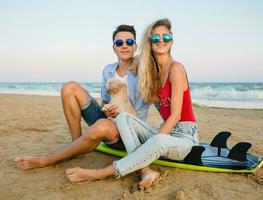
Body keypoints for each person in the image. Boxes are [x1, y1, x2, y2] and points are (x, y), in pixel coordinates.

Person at [65, 18, 199, 190]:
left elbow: (176, 115)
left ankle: (99, 173)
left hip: (185, 137)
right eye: (155, 37)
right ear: (149, 41)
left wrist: (154, 140)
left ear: (171, 40)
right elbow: (138, 59)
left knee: (157, 142)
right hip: (166, 131)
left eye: (166, 37)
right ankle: (147, 171)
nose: (161, 40)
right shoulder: (152, 72)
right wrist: (136, 60)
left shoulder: (176, 69)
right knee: (124, 118)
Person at [14, 25, 149, 170]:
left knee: (102, 125)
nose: (124, 46)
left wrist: (139, 59)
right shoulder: (108, 70)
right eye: (119, 43)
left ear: (135, 46)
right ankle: (76, 145)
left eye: (129, 42)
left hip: (127, 131)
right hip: (107, 120)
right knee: (69, 87)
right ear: (114, 47)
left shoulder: (144, 69)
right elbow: (104, 101)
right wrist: (107, 110)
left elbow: (155, 57)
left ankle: (48, 160)